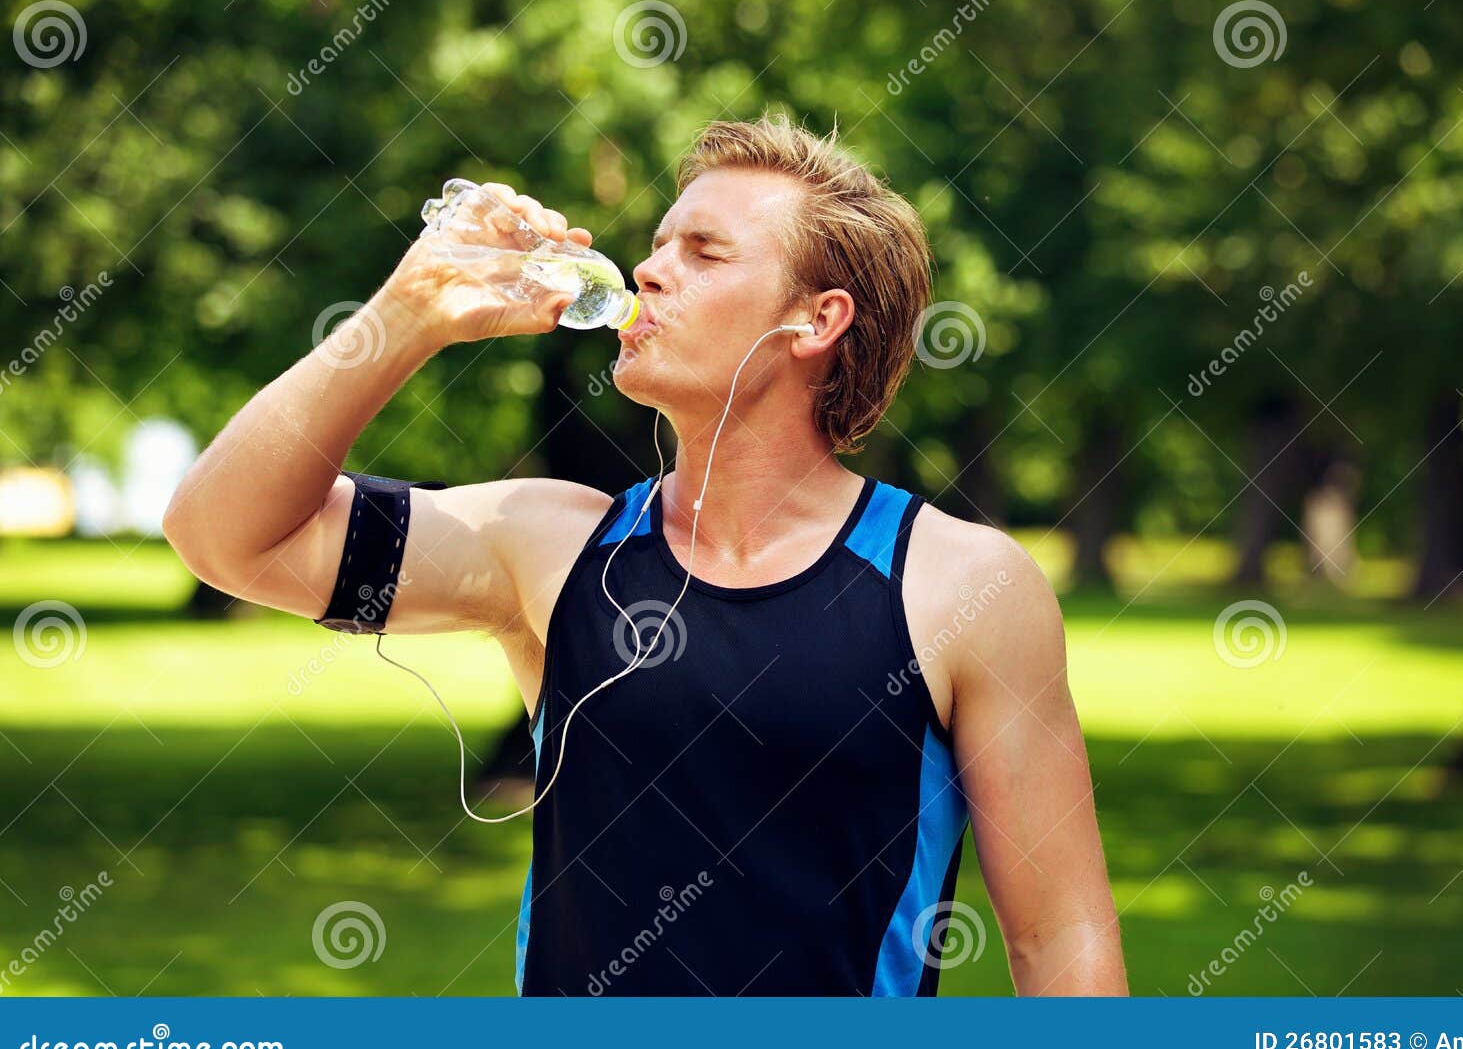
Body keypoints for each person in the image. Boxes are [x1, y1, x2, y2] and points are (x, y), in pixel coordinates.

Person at [162, 112, 1127, 997]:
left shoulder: (961, 584)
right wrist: (409, 313)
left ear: (816, 320)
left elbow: (1063, 943)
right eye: (659, 243)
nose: (651, 268)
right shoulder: (549, 546)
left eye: (704, 251)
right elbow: (222, 535)